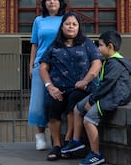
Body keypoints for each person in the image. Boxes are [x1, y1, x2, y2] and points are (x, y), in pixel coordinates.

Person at [60, 30, 131, 165]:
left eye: (100, 45)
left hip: (115, 96)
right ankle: (76, 141)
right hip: (107, 93)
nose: (97, 48)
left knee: (88, 120)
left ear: (110, 46)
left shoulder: (115, 64)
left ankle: (96, 154)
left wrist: (92, 100)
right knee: (78, 108)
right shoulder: (108, 61)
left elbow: (107, 85)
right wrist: (90, 98)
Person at [39, 12, 102, 161]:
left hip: (80, 88)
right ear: (62, 27)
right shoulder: (54, 45)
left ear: (79, 27)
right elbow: (43, 68)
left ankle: (69, 141)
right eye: (67, 24)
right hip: (59, 88)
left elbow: (97, 63)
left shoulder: (86, 43)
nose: (71, 27)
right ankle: (57, 146)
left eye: (74, 24)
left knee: (74, 100)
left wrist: (86, 80)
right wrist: (50, 87)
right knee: (53, 105)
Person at [28, 0, 67, 151]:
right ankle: (40, 135)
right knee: (38, 101)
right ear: (44, 3)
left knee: (57, 101)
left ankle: (60, 138)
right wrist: (31, 66)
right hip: (40, 64)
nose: (52, 1)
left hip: (60, 64)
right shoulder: (39, 20)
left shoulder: (66, 19)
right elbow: (35, 44)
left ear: (60, 2)